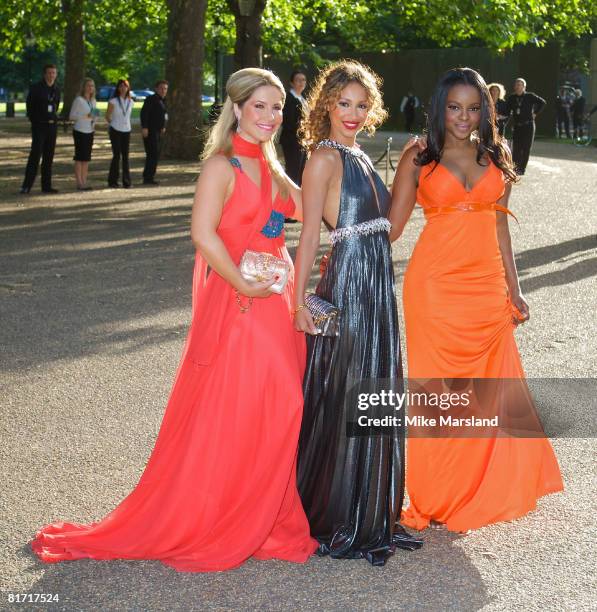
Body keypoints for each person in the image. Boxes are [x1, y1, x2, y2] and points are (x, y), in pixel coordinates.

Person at [31, 67, 318, 572]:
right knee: (260, 403)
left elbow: (305, 206)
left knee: (272, 406)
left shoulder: (270, 165)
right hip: (238, 298)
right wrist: (240, 282)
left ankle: (262, 513)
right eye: (260, 106)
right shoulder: (220, 166)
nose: (271, 116)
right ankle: (227, 514)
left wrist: (335, 162)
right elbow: (203, 235)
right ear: (236, 108)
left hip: (274, 296)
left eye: (277, 108)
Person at [389, 67, 563, 533]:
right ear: (439, 107)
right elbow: (393, 225)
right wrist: (347, 250)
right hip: (435, 287)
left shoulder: (497, 153)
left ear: (485, 110)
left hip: (486, 288)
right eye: (454, 108)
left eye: (472, 108)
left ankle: (476, 488)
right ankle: (437, 493)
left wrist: (516, 285)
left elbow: (500, 225)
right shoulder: (418, 156)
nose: (463, 118)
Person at [292, 60, 423, 567]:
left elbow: (389, 230)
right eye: (344, 103)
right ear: (326, 103)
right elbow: (307, 236)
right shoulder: (323, 158)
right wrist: (297, 300)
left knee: (375, 385)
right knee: (347, 386)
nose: (352, 113)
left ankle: (371, 508)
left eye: (362, 105)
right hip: (348, 282)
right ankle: (337, 509)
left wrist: (409, 162)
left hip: (378, 283)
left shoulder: (362, 156)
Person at [20, 64, 61, 194]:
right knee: (35, 155)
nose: (51, 75)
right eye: (49, 73)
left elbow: (56, 106)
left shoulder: (56, 90)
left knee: (49, 157)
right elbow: (30, 107)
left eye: (54, 73)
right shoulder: (36, 88)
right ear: (44, 74)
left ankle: (46, 186)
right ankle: (26, 186)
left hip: (52, 126)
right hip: (39, 126)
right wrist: (35, 121)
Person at [505, 78, 546, 175]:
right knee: (516, 148)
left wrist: (535, 113)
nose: (518, 86)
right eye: (517, 84)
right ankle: (515, 168)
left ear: (524, 87)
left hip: (528, 125)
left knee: (526, 147)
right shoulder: (512, 98)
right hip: (517, 126)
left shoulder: (529, 96)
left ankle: (522, 169)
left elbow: (543, 102)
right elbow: (507, 110)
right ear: (514, 86)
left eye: (520, 85)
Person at [69, 78, 98, 191]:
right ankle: (79, 183)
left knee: (86, 158)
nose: (90, 88)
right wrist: (84, 117)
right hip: (80, 131)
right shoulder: (79, 100)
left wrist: (94, 120)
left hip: (90, 131)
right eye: (88, 86)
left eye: (92, 86)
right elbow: (71, 116)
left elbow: (95, 115)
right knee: (79, 158)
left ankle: (84, 181)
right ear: (84, 87)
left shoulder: (93, 101)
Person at [279, 69, 308, 185]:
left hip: (302, 140)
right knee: (293, 171)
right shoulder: (288, 99)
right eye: (298, 80)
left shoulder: (302, 98)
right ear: (292, 83)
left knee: (301, 171)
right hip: (292, 140)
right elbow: (288, 121)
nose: (301, 82)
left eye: (303, 80)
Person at [106, 79, 134, 188]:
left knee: (126, 156)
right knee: (116, 155)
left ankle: (127, 181)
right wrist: (113, 124)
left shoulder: (131, 102)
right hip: (115, 130)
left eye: (125, 86)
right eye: (121, 86)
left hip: (126, 130)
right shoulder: (113, 101)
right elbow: (107, 116)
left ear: (128, 88)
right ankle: (112, 181)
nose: (123, 88)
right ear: (118, 88)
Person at [141, 80, 169, 185]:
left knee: (155, 154)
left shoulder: (163, 100)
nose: (163, 90)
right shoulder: (151, 99)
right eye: (161, 88)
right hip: (150, 130)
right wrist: (144, 127)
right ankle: (148, 177)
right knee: (152, 153)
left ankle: (150, 176)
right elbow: (144, 114)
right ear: (156, 89)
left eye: (165, 88)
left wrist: (163, 127)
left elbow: (163, 116)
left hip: (158, 131)